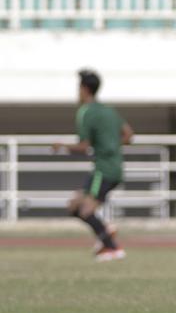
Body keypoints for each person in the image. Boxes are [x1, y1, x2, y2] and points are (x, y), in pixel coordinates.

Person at [52, 69, 133, 262]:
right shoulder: (110, 111)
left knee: (84, 211)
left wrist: (61, 146)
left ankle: (112, 247)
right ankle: (106, 232)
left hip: (103, 169)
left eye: (79, 87)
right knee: (74, 205)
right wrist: (111, 145)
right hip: (114, 168)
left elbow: (84, 146)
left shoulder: (86, 112)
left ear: (85, 89)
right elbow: (129, 135)